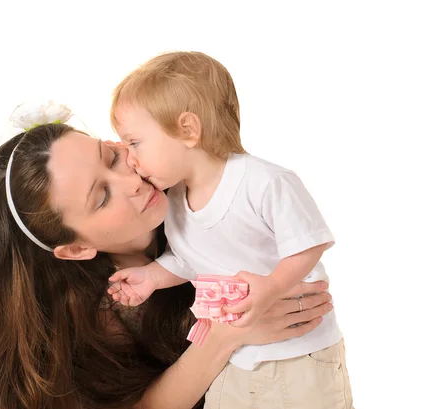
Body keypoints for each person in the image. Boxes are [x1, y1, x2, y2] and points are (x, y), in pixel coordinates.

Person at [0, 112, 334, 409]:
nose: (131, 182)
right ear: (75, 248)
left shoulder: (202, 196)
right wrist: (226, 333)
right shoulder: (94, 313)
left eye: (112, 156)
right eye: (102, 197)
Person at [107, 51, 353, 408]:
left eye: (135, 142)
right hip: (235, 359)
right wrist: (151, 278)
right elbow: (189, 258)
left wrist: (272, 287)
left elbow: (308, 244)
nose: (131, 158)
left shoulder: (262, 181)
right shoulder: (175, 199)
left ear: (187, 130)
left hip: (298, 352)